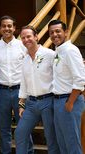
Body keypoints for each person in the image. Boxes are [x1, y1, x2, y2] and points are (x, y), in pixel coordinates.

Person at [0, 15, 33, 154]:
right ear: (0, 28)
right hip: (2, 92)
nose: (7, 28)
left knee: (24, 126)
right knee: (4, 128)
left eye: (9, 26)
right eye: (4, 26)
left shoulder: (23, 46)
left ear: (14, 28)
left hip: (20, 91)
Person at [14, 25, 60, 154]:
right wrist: (21, 104)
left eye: (28, 36)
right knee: (20, 133)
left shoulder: (50, 54)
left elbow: (60, 75)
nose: (26, 39)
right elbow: (23, 83)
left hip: (48, 101)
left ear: (36, 37)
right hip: (31, 104)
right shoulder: (25, 59)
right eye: (23, 38)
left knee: (51, 138)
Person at [48, 19, 85, 154]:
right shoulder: (58, 51)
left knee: (72, 144)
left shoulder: (70, 50)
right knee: (62, 144)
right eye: (51, 32)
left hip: (69, 101)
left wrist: (70, 102)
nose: (54, 35)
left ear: (66, 32)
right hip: (58, 101)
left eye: (58, 31)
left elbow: (80, 80)